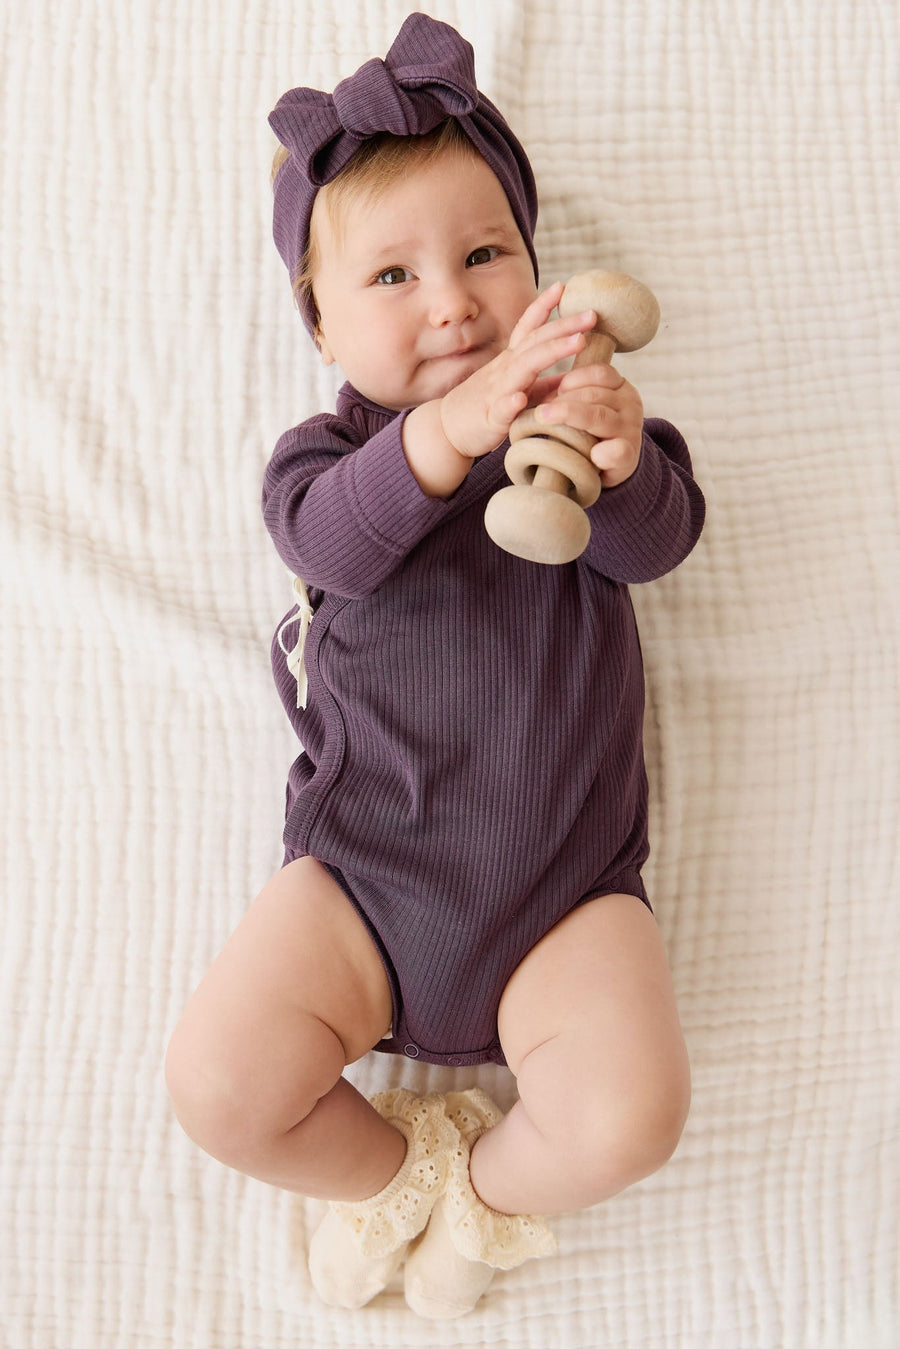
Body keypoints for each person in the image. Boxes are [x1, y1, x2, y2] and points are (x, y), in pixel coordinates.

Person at [165, 12, 705, 1321]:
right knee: (220, 1084)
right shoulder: (324, 464)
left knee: (635, 1110)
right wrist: (448, 431)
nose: (454, 300)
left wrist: (624, 456)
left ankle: (484, 1188)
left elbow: (662, 545)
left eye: (483, 255)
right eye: (393, 278)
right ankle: (388, 1174)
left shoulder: (574, 427)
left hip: (566, 894)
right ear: (323, 326)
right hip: (363, 884)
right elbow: (331, 548)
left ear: (540, 274)